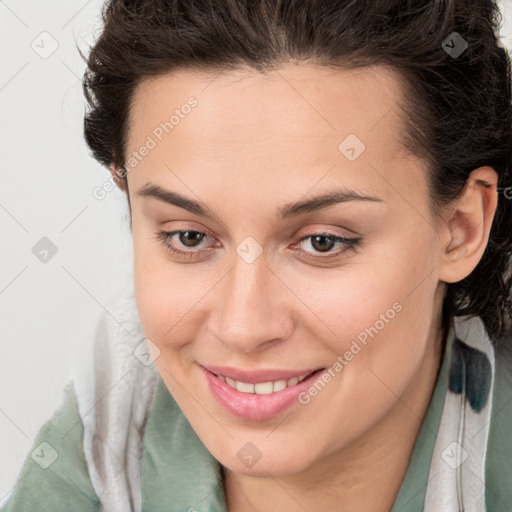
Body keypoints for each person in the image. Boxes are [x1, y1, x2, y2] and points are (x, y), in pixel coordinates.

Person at [2, 0, 512, 511]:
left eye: (322, 242)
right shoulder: (86, 457)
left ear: (460, 229)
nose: (243, 327)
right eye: (189, 237)